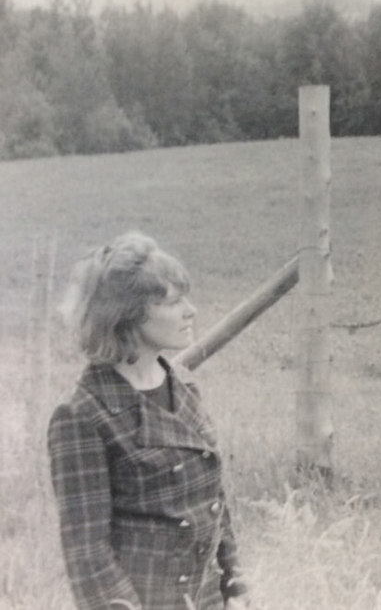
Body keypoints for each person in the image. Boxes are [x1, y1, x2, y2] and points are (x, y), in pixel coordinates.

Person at [47, 232, 249, 610]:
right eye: (174, 301)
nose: (191, 311)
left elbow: (212, 502)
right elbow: (87, 554)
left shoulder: (183, 384)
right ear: (129, 312)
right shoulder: (82, 414)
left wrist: (235, 585)